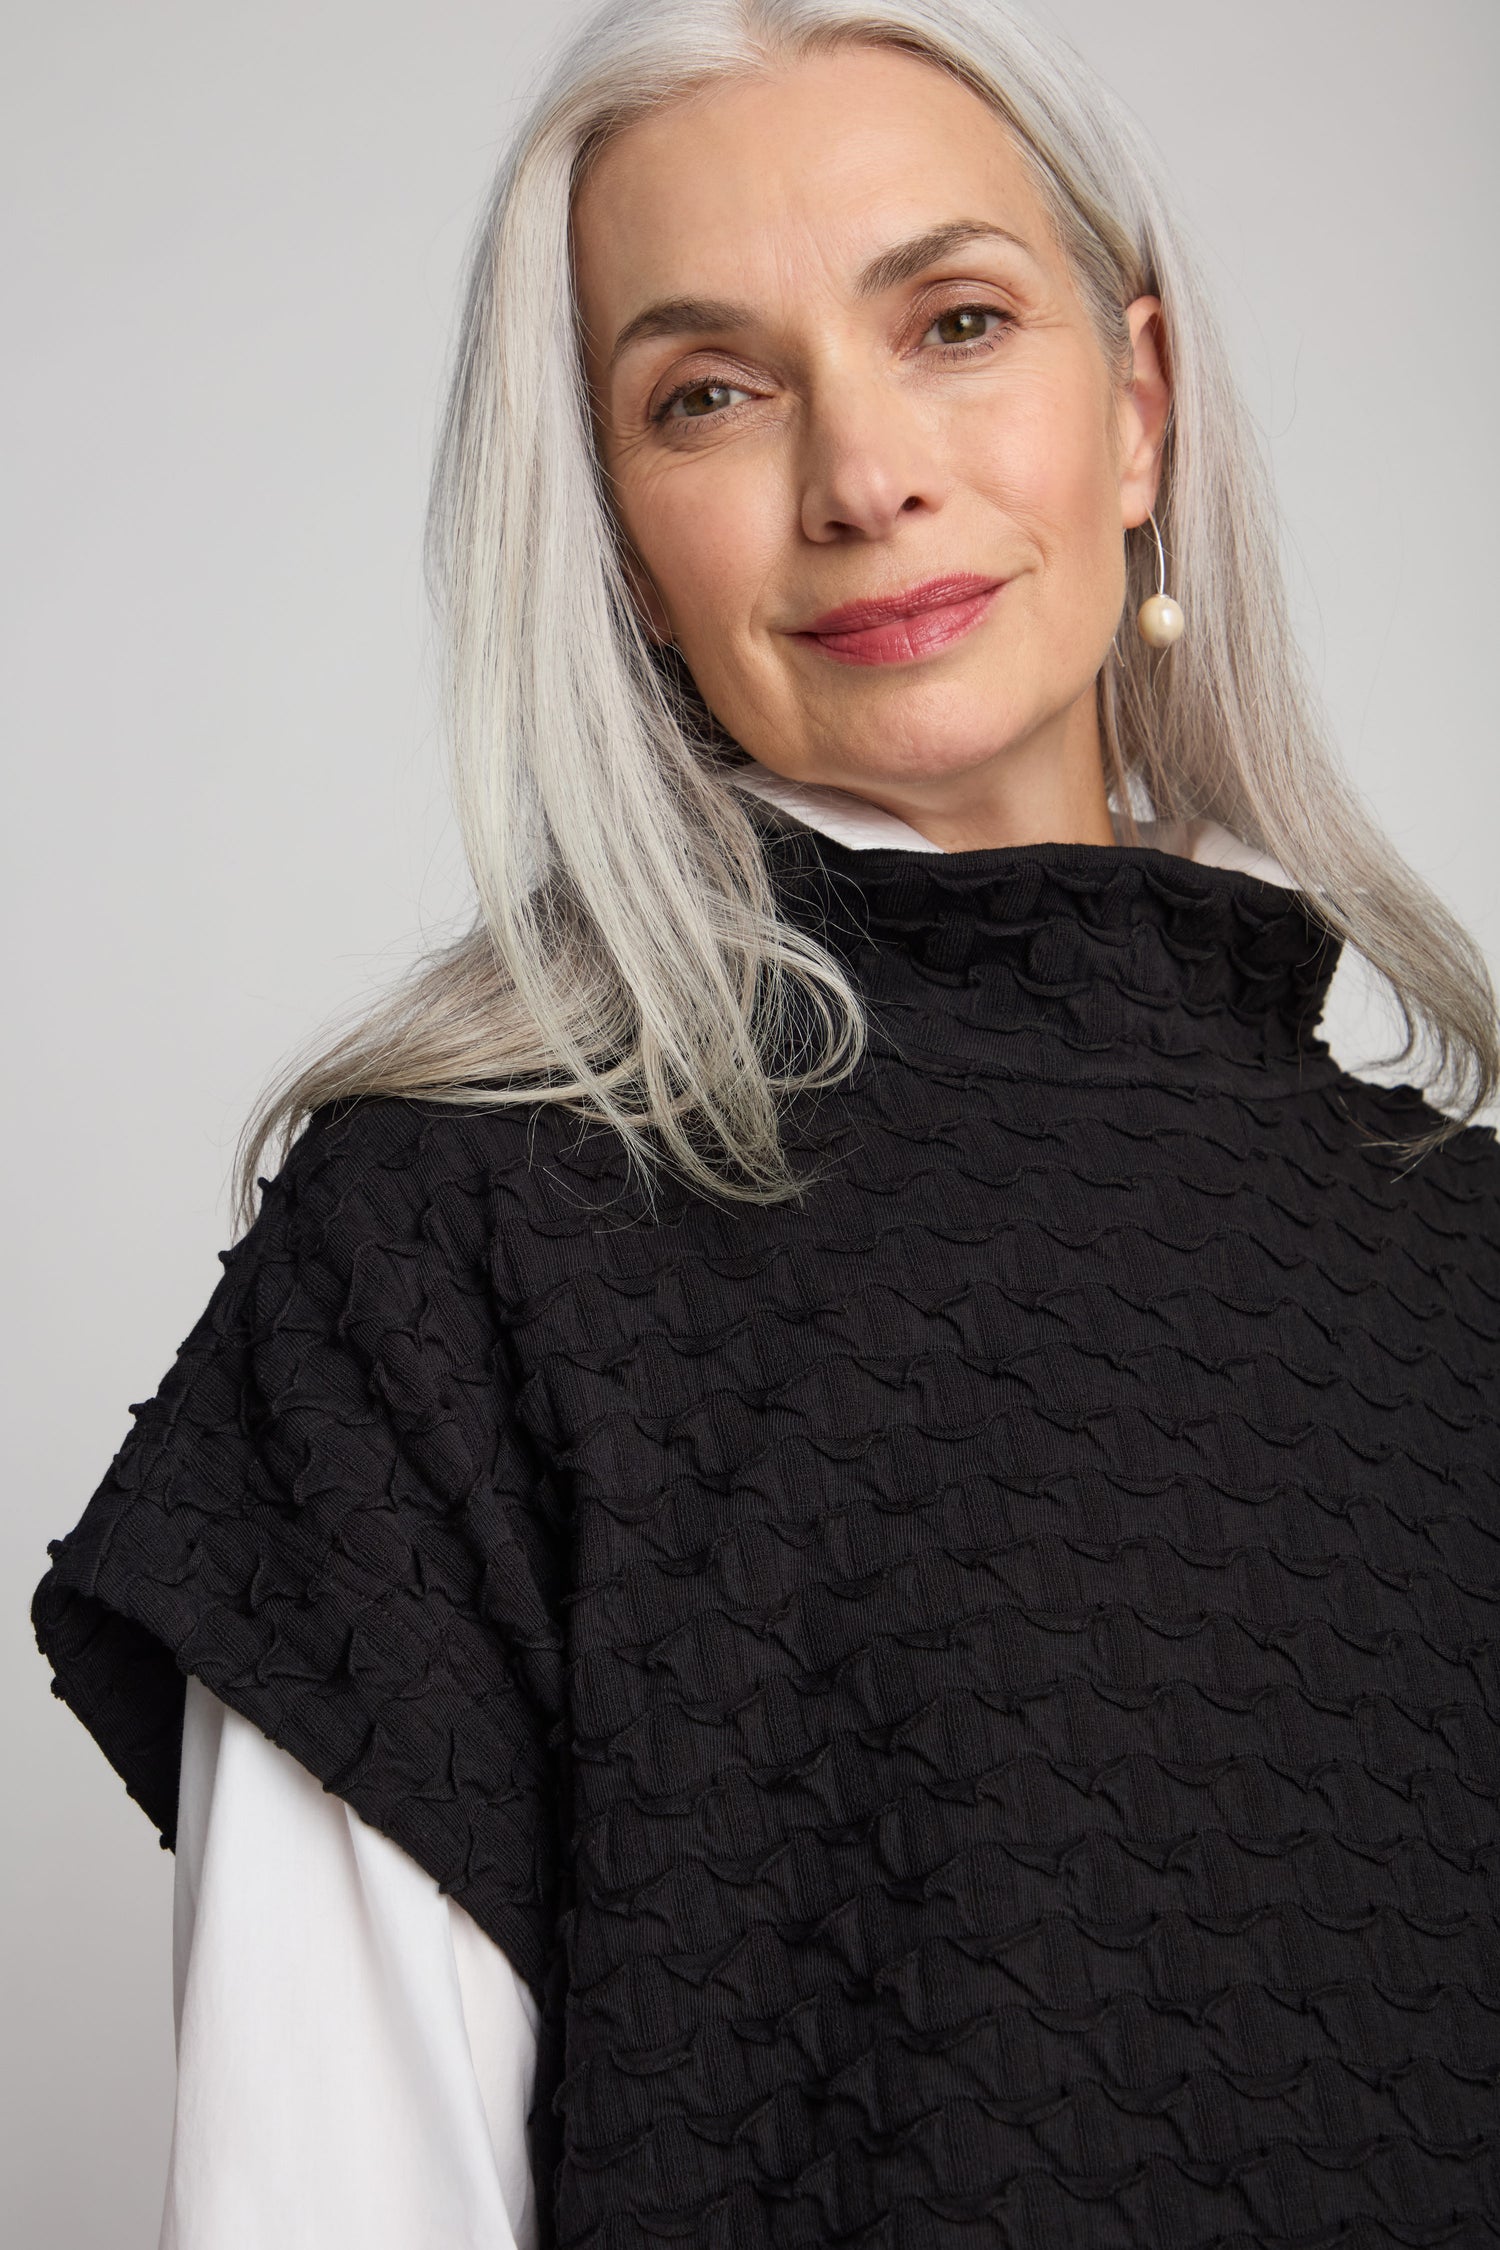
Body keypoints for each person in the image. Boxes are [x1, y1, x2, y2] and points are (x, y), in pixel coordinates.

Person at [31, 2, 1500, 2246]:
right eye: (707, 392)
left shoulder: (1456, 1253)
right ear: (613, 534)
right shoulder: (455, 1242)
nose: (863, 473)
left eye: (958, 322)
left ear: (1140, 406)